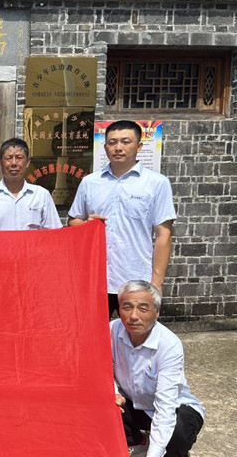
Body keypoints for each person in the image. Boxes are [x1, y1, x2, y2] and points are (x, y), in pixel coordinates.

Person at [68, 120, 176, 318]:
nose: (118, 147)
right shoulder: (90, 182)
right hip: (95, 278)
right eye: (112, 142)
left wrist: (156, 282)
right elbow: (73, 220)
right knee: (93, 331)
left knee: (136, 330)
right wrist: (86, 225)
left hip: (136, 277)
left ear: (139, 146)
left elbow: (164, 235)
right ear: (105, 147)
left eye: (126, 142)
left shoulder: (156, 183)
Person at [111, 280, 204, 457]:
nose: (133, 316)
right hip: (133, 402)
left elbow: (165, 405)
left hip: (173, 407)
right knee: (100, 402)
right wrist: (114, 392)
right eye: (127, 307)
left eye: (143, 308)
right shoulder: (112, 330)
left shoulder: (169, 345)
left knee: (179, 430)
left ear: (157, 313)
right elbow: (104, 369)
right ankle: (139, 443)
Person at [0, 138, 62, 230]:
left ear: (27, 162)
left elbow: (53, 233)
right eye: (8, 158)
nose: (13, 163)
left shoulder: (41, 195)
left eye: (19, 158)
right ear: (0, 163)